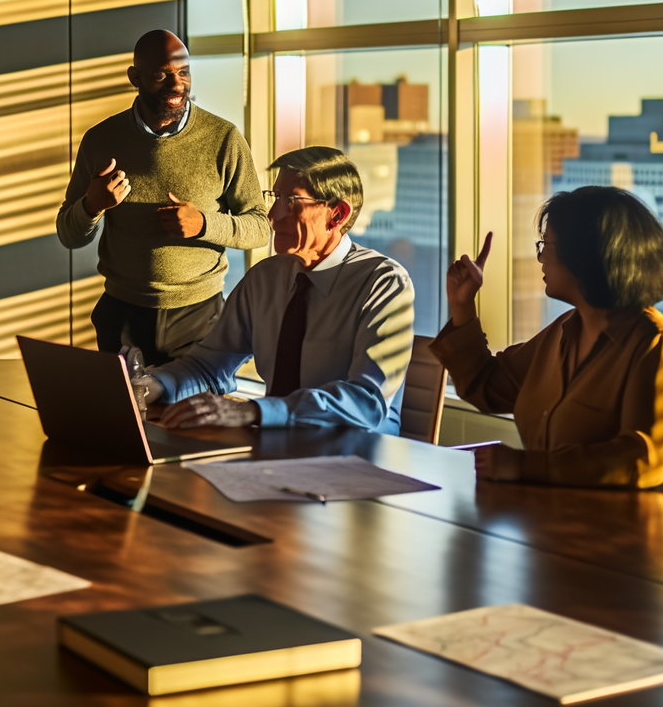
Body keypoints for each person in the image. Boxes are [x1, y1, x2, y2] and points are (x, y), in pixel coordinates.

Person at [135, 147, 415, 434]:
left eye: (292, 201)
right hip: (276, 444)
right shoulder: (265, 279)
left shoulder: (383, 283)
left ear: (337, 214)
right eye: (276, 198)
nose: (273, 216)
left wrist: (254, 410)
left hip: (358, 455)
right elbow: (208, 366)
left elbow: (366, 403)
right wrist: (149, 386)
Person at [432, 185, 663, 491]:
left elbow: (643, 456)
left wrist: (527, 466)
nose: (540, 257)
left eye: (546, 245)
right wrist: (463, 306)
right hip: (553, 517)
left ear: (582, 253)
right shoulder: (565, 329)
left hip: (629, 528)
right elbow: (487, 386)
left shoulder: (653, 341)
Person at [56, 30, 269, 366]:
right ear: (135, 77)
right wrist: (91, 205)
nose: (176, 84)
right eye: (162, 75)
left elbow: (260, 227)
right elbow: (69, 235)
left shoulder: (223, 138)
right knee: (126, 418)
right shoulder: (101, 140)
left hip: (199, 318)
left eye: (183, 73)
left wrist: (203, 224)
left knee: (197, 417)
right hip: (123, 317)